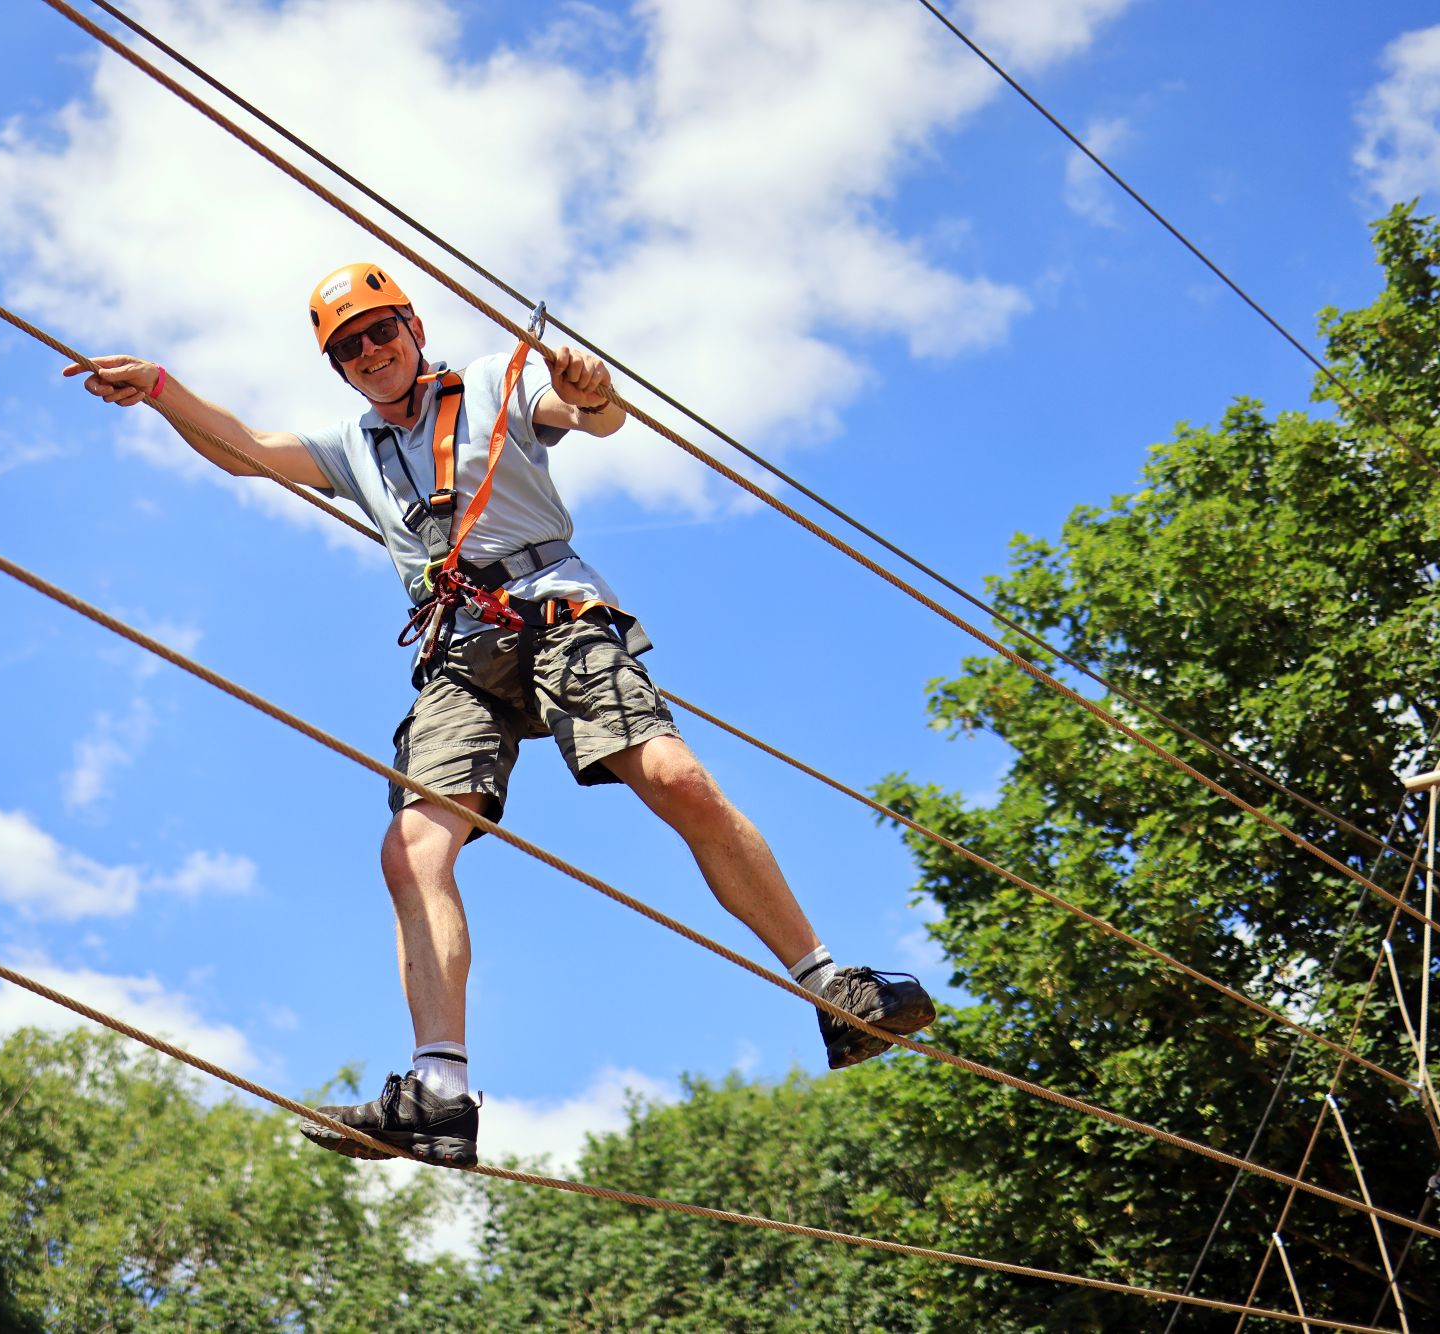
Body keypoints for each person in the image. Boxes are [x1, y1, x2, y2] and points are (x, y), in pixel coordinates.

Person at [65, 262, 934, 1168]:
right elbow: (246, 448)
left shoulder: (489, 380)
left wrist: (594, 395)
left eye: (381, 331)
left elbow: (584, 417)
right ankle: (438, 1094)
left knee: (676, 780)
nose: (371, 353)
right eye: (349, 347)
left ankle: (836, 991)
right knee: (410, 847)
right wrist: (161, 391)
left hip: (553, 612)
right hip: (459, 655)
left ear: (413, 329)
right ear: (341, 368)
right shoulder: (351, 448)